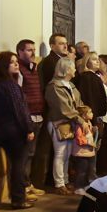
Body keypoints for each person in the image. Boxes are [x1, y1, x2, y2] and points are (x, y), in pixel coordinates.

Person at [0, 51, 36, 209]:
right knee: (18, 166)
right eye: (12, 62)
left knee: (14, 165)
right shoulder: (9, 85)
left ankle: (18, 196)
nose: (16, 64)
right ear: (3, 65)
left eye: (16, 61)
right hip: (14, 131)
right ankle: (19, 199)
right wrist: (28, 129)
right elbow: (19, 110)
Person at [44, 57, 87, 195]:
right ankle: (59, 183)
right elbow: (64, 108)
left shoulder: (70, 85)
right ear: (67, 69)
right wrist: (81, 120)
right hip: (59, 122)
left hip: (71, 122)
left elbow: (78, 103)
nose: (75, 69)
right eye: (73, 67)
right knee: (60, 153)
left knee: (67, 154)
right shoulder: (54, 86)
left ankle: (66, 180)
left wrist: (86, 114)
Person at [15, 39, 46, 198]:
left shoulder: (33, 68)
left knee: (31, 153)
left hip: (38, 114)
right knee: (24, 154)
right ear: (20, 52)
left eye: (33, 49)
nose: (33, 53)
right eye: (28, 50)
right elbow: (18, 96)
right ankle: (23, 186)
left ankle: (28, 183)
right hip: (27, 116)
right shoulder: (18, 69)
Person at [74, 53, 107, 175]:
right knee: (90, 148)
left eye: (97, 60)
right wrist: (92, 119)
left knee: (95, 147)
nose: (97, 62)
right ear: (87, 62)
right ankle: (89, 176)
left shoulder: (94, 76)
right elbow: (90, 98)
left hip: (97, 115)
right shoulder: (87, 77)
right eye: (94, 60)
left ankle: (91, 174)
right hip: (91, 117)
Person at [70, 105, 99, 196]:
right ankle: (78, 187)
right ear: (83, 115)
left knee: (88, 170)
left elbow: (88, 134)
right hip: (81, 153)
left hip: (89, 152)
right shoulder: (79, 125)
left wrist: (93, 130)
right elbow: (79, 139)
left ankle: (86, 185)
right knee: (81, 171)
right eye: (90, 112)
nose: (92, 114)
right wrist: (90, 143)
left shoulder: (88, 123)